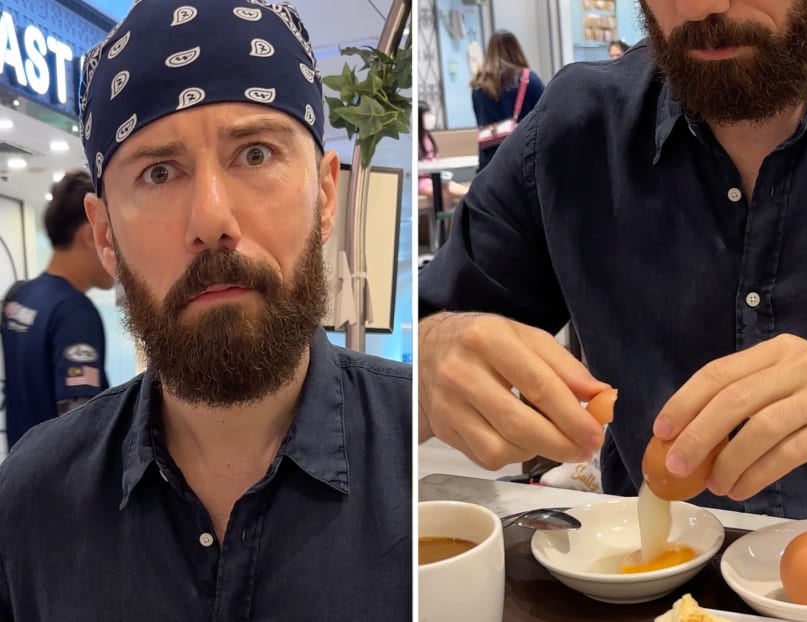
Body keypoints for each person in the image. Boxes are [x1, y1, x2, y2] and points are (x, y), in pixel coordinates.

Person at [0, 2, 411, 620]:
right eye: (159, 172)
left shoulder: (421, 461)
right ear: (105, 235)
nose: (212, 222)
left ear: (326, 196)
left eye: (255, 155)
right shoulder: (31, 502)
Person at [419, 0, 807, 520]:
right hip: (639, 583)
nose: (699, 5)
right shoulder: (576, 130)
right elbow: (416, 355)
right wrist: (433, 358)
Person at [1, 170, 113, 448]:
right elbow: (81, 424)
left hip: (19, 473)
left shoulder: (19, 297)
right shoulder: (74, 313)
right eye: (111, 234)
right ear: (89, 236)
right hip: (59, 485)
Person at [471, 30, 544, 170]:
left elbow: (480, 120)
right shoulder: (529, 80)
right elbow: (546, 116)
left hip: (488, 163)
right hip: (522, 161)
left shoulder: (478, 86)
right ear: (516, 49)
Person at [417, 101, 469, 206]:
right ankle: (444, 222)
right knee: (442, 193)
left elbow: (435, 157)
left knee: (468, 193)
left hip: (437, 178)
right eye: (426, 115)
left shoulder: (427, 137)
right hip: (420, 182)